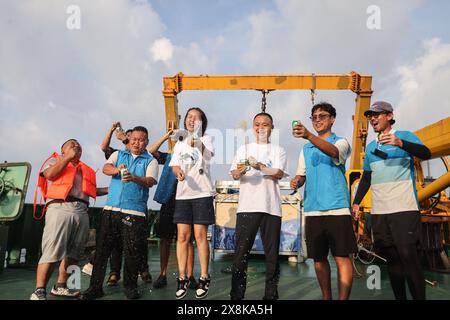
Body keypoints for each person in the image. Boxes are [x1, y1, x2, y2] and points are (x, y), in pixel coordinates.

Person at [352, 101, 431, 300]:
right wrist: (356, 202)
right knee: (393, 262)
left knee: (409, 258)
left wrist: (400, 143)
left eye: (377, 115)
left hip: (404, 209)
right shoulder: (371, 147)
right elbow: (367, 177)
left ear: (389, 116)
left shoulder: (404, 136)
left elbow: (426, 153)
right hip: (380, 212)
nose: (372, 118)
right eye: (370, 115)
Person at [80, 126, 158, 300]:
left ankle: (130, 287)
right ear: (129, 140)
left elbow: (151, 181)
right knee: (102, 251)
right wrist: (117, 171)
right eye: (134, 139)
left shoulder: (150, 161)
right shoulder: (118, 155)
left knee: (132, 252)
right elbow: (106, 168)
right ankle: (95, 288)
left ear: (146, 141)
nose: (137, 142)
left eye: (141, 139)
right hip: (111, 210)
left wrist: (134, 177)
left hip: (134, 212)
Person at [290, 102, 356, 300]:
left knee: (342, 258)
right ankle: (327, 298)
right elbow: (302, 176)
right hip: (312, 210)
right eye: (314, 117)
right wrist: (297, 181)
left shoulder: (341, 142)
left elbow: (334, 153)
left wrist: (309, 134)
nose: (317, 119)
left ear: (332, 119)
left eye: (322, 116)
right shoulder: (306, 149)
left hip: (337, 209)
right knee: (318, 260)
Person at [30, 139, 108, 300]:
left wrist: (112, 188)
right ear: (62, 150)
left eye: (79, 146)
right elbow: (49, 174)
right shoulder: (55, 160)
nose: (77, 146)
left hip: (82, 210)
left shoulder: (84, 169)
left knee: (75, 252)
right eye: (72, 144)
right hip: (60, 208)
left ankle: (61, 286)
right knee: (52, 250)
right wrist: (67, 158)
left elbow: (93, 191)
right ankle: (39, 291)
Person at [229, 112, 287, 300]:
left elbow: (278, 173)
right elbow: (234, 174)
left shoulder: (278, 150)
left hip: (271, 208)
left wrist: (259, 166)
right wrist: (239, 171)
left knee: (272, 256)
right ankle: (236, 297)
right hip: (247, 207)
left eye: (265, 124)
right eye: (257, 124)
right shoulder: (244, 149)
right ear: (253, 127)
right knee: (240, 255)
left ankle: (271, 296)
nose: (261, 127)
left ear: (272, 127)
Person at [169, 107, 215, 299]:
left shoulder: (207, 139)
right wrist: (178, 172)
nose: (191, 120)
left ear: (201, 122)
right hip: (183, 195)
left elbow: (208, 155)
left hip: (202, 193)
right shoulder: (179, 143)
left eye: (196, 118)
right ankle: (183, 278)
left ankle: (204, 277)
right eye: (189, 117)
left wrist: (196, 142)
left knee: (200, 236)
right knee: (182, 237)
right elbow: (174, 165)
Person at [149, 129, 197, 290]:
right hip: (169, 201)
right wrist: (165, 136)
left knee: (188, 240)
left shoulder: (194, 158)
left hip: (188, 201)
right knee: (165, 238)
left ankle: (190, 276)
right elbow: (152, 151)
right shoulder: (169, 157)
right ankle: (162, 274)